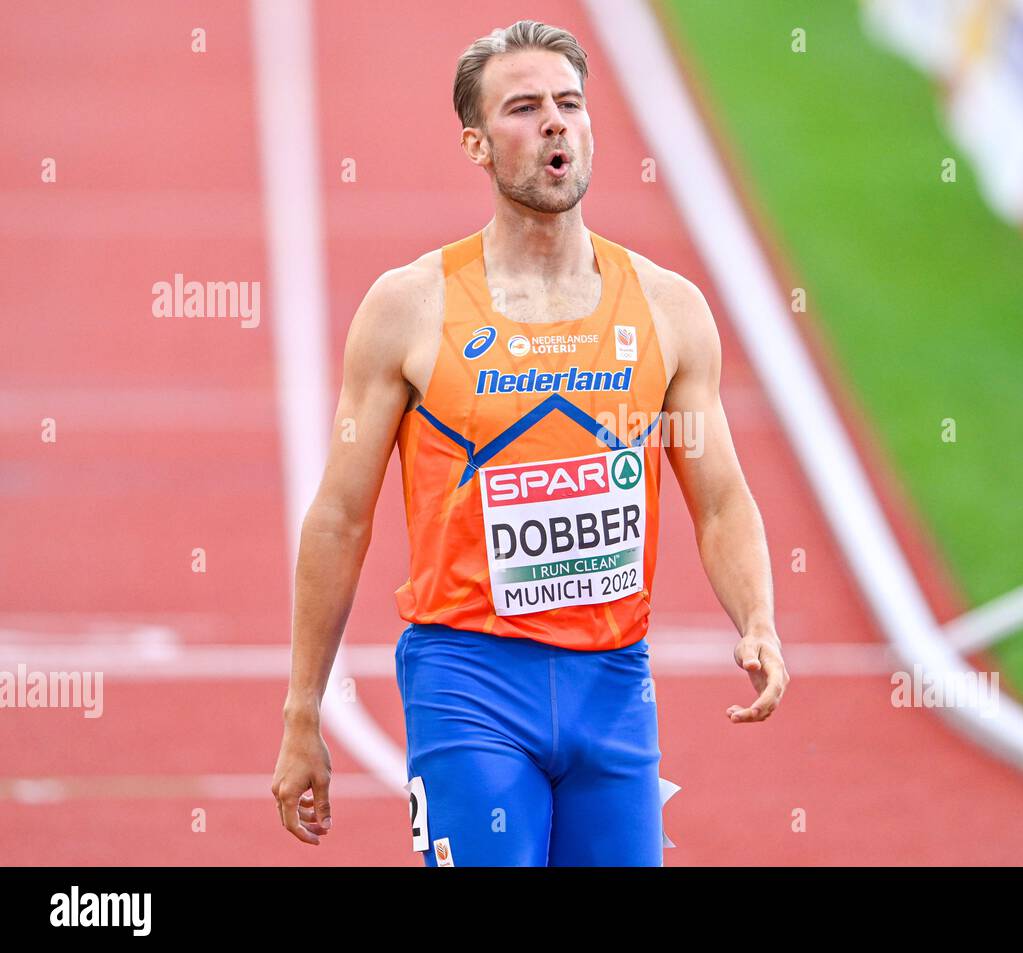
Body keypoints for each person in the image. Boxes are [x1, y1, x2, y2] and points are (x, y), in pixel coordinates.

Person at [271, 18, 788, 866]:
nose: (555, 122)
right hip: (467, 679)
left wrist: (758, 617)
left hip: (616, 684)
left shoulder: (668, 308)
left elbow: (722, 498)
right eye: (523, 108)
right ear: (475, 142)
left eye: (570, 103)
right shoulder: (409, 308)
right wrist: (302, 715)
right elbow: (338, 520)